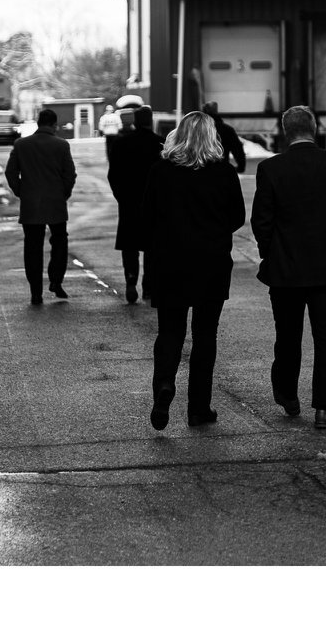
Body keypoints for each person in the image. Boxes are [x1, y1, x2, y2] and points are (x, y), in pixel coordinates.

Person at [250, 106, 326, 431]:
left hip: (285, 268)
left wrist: (271, 253)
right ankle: (324, 409)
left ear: (286, 131)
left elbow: (262, 221)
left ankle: (288, 395)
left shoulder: (271, 168)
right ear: (314, 128)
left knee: (287, 336)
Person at [141, 111, 246, 431]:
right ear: (212, 136)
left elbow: (147, 218)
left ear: (179, 134)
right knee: (205, 335)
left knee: (170, 331)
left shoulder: (160, 171)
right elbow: (237, 217)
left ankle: (164, 385)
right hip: (211, 263)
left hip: (168, 262)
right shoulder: (223, 173)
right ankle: (198, 408)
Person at [4, 107, 77, 305]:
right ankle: (55, 280)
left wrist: (21, 192)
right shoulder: (61, 145)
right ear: (54, 125)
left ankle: (36, 291)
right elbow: (69, 174)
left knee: (33, 247)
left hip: (31, 204)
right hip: (55, 203)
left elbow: (10, 172)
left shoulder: (21, 145)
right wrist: (63, 193)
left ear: (38, 123)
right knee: (60, 243)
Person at [107, 105, 164, 303]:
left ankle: (131, 278)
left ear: (134, 121)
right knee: (152, 246)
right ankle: (149, 285)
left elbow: (113, 174)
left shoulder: (121, 143)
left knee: (130, 244)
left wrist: (120, 196)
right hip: (155, 203)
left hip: (129, 201)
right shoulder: (159, 144)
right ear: (150, 121)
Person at [202, 100, 247, 175]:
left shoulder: (197, 129)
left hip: (199, 168)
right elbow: (237, 148)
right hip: (221, 169)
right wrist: (241, 166)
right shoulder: (227, 129)